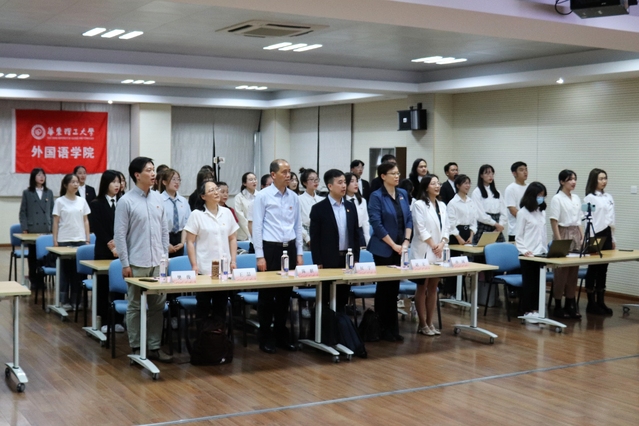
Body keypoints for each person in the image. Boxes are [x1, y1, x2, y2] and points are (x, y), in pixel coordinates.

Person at [114, 157, 172, 363]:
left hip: (157, 263)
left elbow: (164, 231)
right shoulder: (126, 201)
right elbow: (120, 235)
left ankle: (154, 347)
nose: (153, 173)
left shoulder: (158, 199)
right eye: (149, 170)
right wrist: (125, 263)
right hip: (136, 263)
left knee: (157, 306)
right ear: (137, 175)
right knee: (135, 306)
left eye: (153, 169)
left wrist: (165, 258)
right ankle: (137, 347)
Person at [252, 159, 303, 354]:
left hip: (289, 248)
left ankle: (281, 334)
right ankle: (265, 336)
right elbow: (257, 227)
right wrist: (259, 255)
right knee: (267, 296)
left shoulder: (293, 197)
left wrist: (299, 252)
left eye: (289, 171)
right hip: (270, 249)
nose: (288, 175)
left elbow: (297, 226)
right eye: (284, 172)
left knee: (284, 295)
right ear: (273, 175)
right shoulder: (262, 196)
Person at [367, 162, 412, 342]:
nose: (397, 176)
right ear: (383, 176)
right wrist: (394, 245)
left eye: (398, 173)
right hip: (383, 249)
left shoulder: (402, 194)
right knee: (384, 289)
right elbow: (376, 224)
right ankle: (381, 328)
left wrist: (406, 241)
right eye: (393, 173)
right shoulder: (376, 196)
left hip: (401, 248)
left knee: (394, 289)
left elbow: (409, 219)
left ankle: (393, 329)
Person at [185, 180, 238, 320]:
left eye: (216, 189)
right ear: (203, 196)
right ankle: (203, 332)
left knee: (221, 306)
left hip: (223, 269)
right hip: (205, 268)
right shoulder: (197, 214)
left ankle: (218, 332)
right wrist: (194, 265)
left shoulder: (227, 212)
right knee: (203, 306)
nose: (216, 192)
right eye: (211, 190)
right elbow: (190, 242)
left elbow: (233, 238)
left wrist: (233, 261)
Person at [310, 169, 360, 312]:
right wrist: (318, 261)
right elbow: (315, 238)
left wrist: (356, 258)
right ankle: (324, 324)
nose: (344, 186)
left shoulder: (350, 206)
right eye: (340, 183)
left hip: (347, 259)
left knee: (342, 297)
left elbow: (355, 234)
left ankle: (340, 323)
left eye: (345, 182)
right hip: (328, 260)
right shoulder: (319, 208)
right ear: (330, 186)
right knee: (326, 297)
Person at [411, 174, 449, 336]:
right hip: (424, 251)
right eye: (433, 183)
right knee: (422, 287)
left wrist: (442, 244)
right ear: (426, 187)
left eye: (438, 183)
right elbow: (420, 228)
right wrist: (434, 245)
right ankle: (422, 323)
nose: (437, 186)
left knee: (433, 287)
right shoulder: (419, 204)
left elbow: (446, 227)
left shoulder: (442, 205)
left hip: (438, 251)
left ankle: (430, 322)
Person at [89, 170, 125, 333]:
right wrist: (111, 244)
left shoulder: (123, 202)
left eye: (119, 182)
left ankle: (118, 320)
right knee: (103, 287)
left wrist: (119, 245)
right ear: (106, 184)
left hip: (121, 250)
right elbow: (97, 227)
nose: (117, 185)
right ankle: (103, 320)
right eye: (113, 182)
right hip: (103, 250)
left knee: (118, 287)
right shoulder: (96, 203)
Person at [52, 173, 91, 309]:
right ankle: (64, 301)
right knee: (65, 272)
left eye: (77, 182)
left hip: (80, 240)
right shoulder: (60, 201)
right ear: (65, 185)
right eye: (72, 182)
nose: (76, 184)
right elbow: (56, 222)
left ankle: (77, 300)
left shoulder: (82, 201)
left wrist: (87, 238)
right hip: (64, 240)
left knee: (78, 273)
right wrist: (55, 240)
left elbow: (85, 220)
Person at [548, 170, 583, 319]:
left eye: (574, 179)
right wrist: (559, 241)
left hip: (575, 233)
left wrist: (582, 236)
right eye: (570, 179)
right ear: (562, 182)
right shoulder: (557, 198)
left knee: (573, 272)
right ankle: (558, 305)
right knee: (561, 273)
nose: (573, 182)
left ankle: (570, 303)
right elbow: (554, 221)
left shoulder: (576, 198)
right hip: (563, 232)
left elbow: (579, 220)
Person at [583, 168, 616, 315]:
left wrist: (613, 238)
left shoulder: (609, 197)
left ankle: (601, 301)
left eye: (605, 178)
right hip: (595, 234)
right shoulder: (589, 198)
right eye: (600, 179)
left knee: (604, 268)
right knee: (594, 267)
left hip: (607, 233)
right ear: (594, 180)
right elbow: (587, 219)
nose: (604, 181)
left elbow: (612, 218)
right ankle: (591, 303)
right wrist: (589, 239)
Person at [515, 182, 548, 322]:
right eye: (539, 195)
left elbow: (543, 234)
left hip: (540, 253)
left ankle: (537, 309)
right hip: (528, 255)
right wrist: (524, 250)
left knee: (539, 283)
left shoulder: (542, 212)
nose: (541, 198)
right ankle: (527, 310)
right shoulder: (523, 213)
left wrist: (545, 249)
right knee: (530, 284)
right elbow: (518, 236)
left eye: (543, 195)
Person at [19, 167, 54, 292]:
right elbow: (23, 212)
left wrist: (53, 228)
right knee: (33, 255)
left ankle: (41, 279)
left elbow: (52, 211)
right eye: (39, 175)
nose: (41, 177)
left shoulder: (49, 192)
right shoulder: (27, 192)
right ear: (33, 177)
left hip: (46, 229)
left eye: (43, 175)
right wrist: (25, 228)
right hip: (32, 229)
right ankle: (33, 279)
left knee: (44, 256)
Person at [471, 164, 507, 244]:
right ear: (481, 175)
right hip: (484, 225)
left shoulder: (497, 192)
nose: (490, 176)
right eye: (487, 173)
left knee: (500, 249)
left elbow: (504, 211)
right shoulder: (477, 192)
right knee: (483, 249)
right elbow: (480, 214)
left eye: (492, 173)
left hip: (498, 226)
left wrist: (500, 225)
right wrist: (495, 224)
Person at [159, 169, 189, 258]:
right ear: (164, 182)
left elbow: (187, 224)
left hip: (180, 237)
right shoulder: (159, 200)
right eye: (173, 179)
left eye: (178, 179)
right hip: (163, 237)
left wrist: (182, 243)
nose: (177, 182)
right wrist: (166, 244)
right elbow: (156, 225)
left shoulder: (183, 201)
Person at [447, 174, 478, 246]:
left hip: (468, 233)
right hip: (456, 234)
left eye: (469, 183)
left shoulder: (471, 201)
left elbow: (474, 220)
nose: (468, 186)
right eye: (465, 183)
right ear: (458, 186)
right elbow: (451, 223)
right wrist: (459, 238)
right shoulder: (453, 203)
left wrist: (471, 236)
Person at [299, 167, 324, 251]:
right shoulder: (299, 199)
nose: (315, 182)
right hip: (305, 236)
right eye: (312, 179)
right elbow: (298, 223)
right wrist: (307, 239)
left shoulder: (322, 199)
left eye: (316, 179)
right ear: (304, 182)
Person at [504, 161, 529, 242]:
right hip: (515, 230)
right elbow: (513, 210)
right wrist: (528, 219)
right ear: (514, 173)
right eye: (521, 170)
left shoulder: (530, 187)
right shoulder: (510, 189)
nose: (525, 172)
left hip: (529, 230)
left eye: (526, 169)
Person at [345, 172, 370, 247]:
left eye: (356, 181)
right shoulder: (341, 201)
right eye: (352, 181)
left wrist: (368, 240)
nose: (356, 184)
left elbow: (365, 221)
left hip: (359, 233)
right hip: (346, 233)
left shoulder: (362, 201)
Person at [234, 172, 258, 244]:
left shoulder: (260, 195)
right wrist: (250, 233)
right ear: (244, 183)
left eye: (255, 179)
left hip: (258, 233)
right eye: (251, 180)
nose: (254, 181)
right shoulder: (239, 197)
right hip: (244, 235)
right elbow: (240, 217)